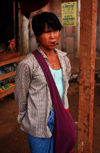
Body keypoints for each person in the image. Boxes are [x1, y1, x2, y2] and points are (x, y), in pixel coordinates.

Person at [14, 12, 71, 153]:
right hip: (38, 121)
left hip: (61, 117)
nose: (53, 36)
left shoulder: (64, 59)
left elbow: (65, 86)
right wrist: (26, 117)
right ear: (38, 35)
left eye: (55, 31)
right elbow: (21, 96)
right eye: (47, 32)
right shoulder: (28, 64)